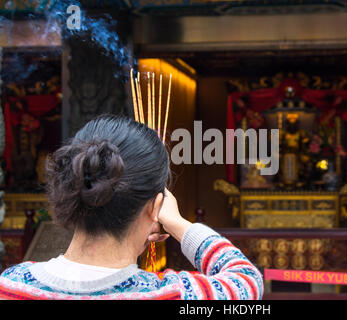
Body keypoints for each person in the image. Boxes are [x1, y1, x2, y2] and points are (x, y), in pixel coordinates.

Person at [0, 115, 263, 300]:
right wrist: (179, 224)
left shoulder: (10, 286)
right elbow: (247, 281)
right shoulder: (173, 294)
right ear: (155, 207)